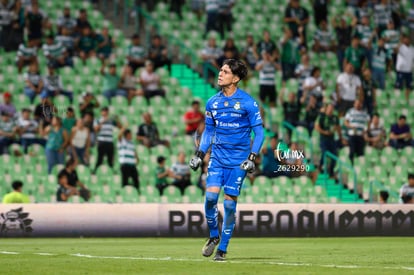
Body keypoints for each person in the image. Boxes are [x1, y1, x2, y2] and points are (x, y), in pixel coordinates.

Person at [189, 59, 264, 261]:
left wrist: (251, 158)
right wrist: (199, 154)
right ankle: (214, 236)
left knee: (229, 206)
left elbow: (259, 133)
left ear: (236, 78)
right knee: (211, 198)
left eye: (225, 71)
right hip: (217, 159)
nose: (220, 74)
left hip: (239, 162)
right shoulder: (212, 102)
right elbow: (208, 132)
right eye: (220, 70)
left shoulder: (248, 102)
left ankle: (222, 249)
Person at [315, 103, 342, 176]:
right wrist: (325, 132)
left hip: (332, 139)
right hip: (324, 139)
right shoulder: (322, 117)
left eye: (332, 109)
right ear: (326, 109)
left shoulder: (335, 118)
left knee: (334, 155)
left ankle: (331, 171)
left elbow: (338, 128)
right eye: (329, 108)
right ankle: (320, 166)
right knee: (324, 152)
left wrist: (340, 138)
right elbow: (317, 127)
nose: (330, 110)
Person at [93, 106, 122, 173]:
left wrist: (117, 119)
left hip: (109, 141)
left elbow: (120, 127)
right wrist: (103, 121)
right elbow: (96, 129)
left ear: (108, 112)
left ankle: (111, 172)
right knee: (100, 158)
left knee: (110, 159)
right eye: (103, 111)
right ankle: (95, 171)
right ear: (101, 112)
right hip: (101, 141)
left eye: (106, 111)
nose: (105, 112)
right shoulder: (97, 120)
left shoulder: (111, 120)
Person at [344, 99, 370, 164]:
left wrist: (366, 130)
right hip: (352, 134)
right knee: (352, 151)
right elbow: (346, 122)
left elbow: (368, 122)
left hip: (360, 135)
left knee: (360, 153)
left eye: (359, 103)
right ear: (354, 104)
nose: (358, 105)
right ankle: (351, 164)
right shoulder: (350, 111)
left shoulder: (364, 112)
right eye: (356, 103)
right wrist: (351, 126)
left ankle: (359, 166)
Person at [118, 127, 140, 193]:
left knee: (136, 180)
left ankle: (137, 193)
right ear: (126, 135)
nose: (131, 136)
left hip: (132, 164)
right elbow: (119, 136)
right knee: (125, 180)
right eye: (129, 134)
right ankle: (124, 193)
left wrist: (137, 158)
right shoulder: (122, 141)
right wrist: (123, 128)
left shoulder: (132, 143)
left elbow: (134, 151)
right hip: (125, 164)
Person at [395, 35, 414, 102]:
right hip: (401, 70)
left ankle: (406, 100)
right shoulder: (401, 47)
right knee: (398, 86)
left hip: (409, 70)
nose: (407, 40)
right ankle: (397, 100)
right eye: (405, 39)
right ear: (403, 40)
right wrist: (400, 42)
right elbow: (395, 50)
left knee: (409, 86)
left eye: (408, 39)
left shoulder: (412, 48)